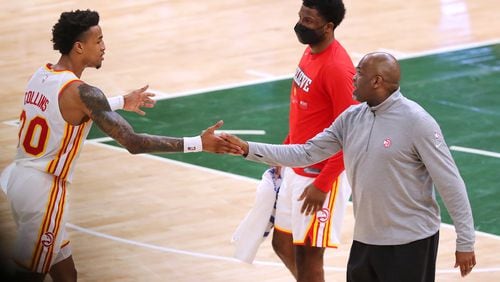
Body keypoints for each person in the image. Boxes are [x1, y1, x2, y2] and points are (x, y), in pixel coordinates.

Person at [0, 9, 241, 282]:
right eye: (99, 40)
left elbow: (66, 108)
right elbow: (133, 143)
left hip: (19, 179)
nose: (104, 47)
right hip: (45, 191)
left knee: (66, 274)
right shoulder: (84, 92)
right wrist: (198, 143)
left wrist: (119, 102)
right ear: (79, 47)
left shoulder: (42, 75)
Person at [223, 52, 476, 281]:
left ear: (377, 81)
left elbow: (450, 182)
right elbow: (305, 152)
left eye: (360, 74)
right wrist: (246, 148)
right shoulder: (352, 118)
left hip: (411, 242)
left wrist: (465, 241)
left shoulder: (417, 122)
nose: (353, 78)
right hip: (366, 240)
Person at [241, 1, 357, 281]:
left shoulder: (338, 69)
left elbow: (352, 134)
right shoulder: (310, 51)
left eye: (308, 21)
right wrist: (284, 155)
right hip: (297, 164)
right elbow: (304, 111)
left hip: (323, 174)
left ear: (328, 27)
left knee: (309, 256)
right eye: (300, 17)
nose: (300, 25)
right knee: (281, 243)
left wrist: (323, 183)